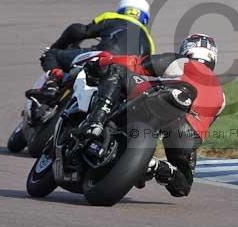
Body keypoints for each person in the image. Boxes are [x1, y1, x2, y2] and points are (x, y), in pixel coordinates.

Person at [78, 33, 224, 197]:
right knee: (183, 185)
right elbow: (205, 124)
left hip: (161, 104)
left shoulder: (182, 63)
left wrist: (100, 63)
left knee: (116, 70)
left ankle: (96, 120)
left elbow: (136, 64)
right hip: (188, 134)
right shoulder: (222, 96)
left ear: (187, 50)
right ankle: (159, 167)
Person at [27, 0, 155, 103]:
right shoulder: (149, 41)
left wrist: (58, 45)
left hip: (101, 57)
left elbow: (78, 31)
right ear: (145, 19)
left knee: (52, 55)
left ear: (121, 10)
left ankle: (52, 84)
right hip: (125, 75)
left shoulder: (110, 17)